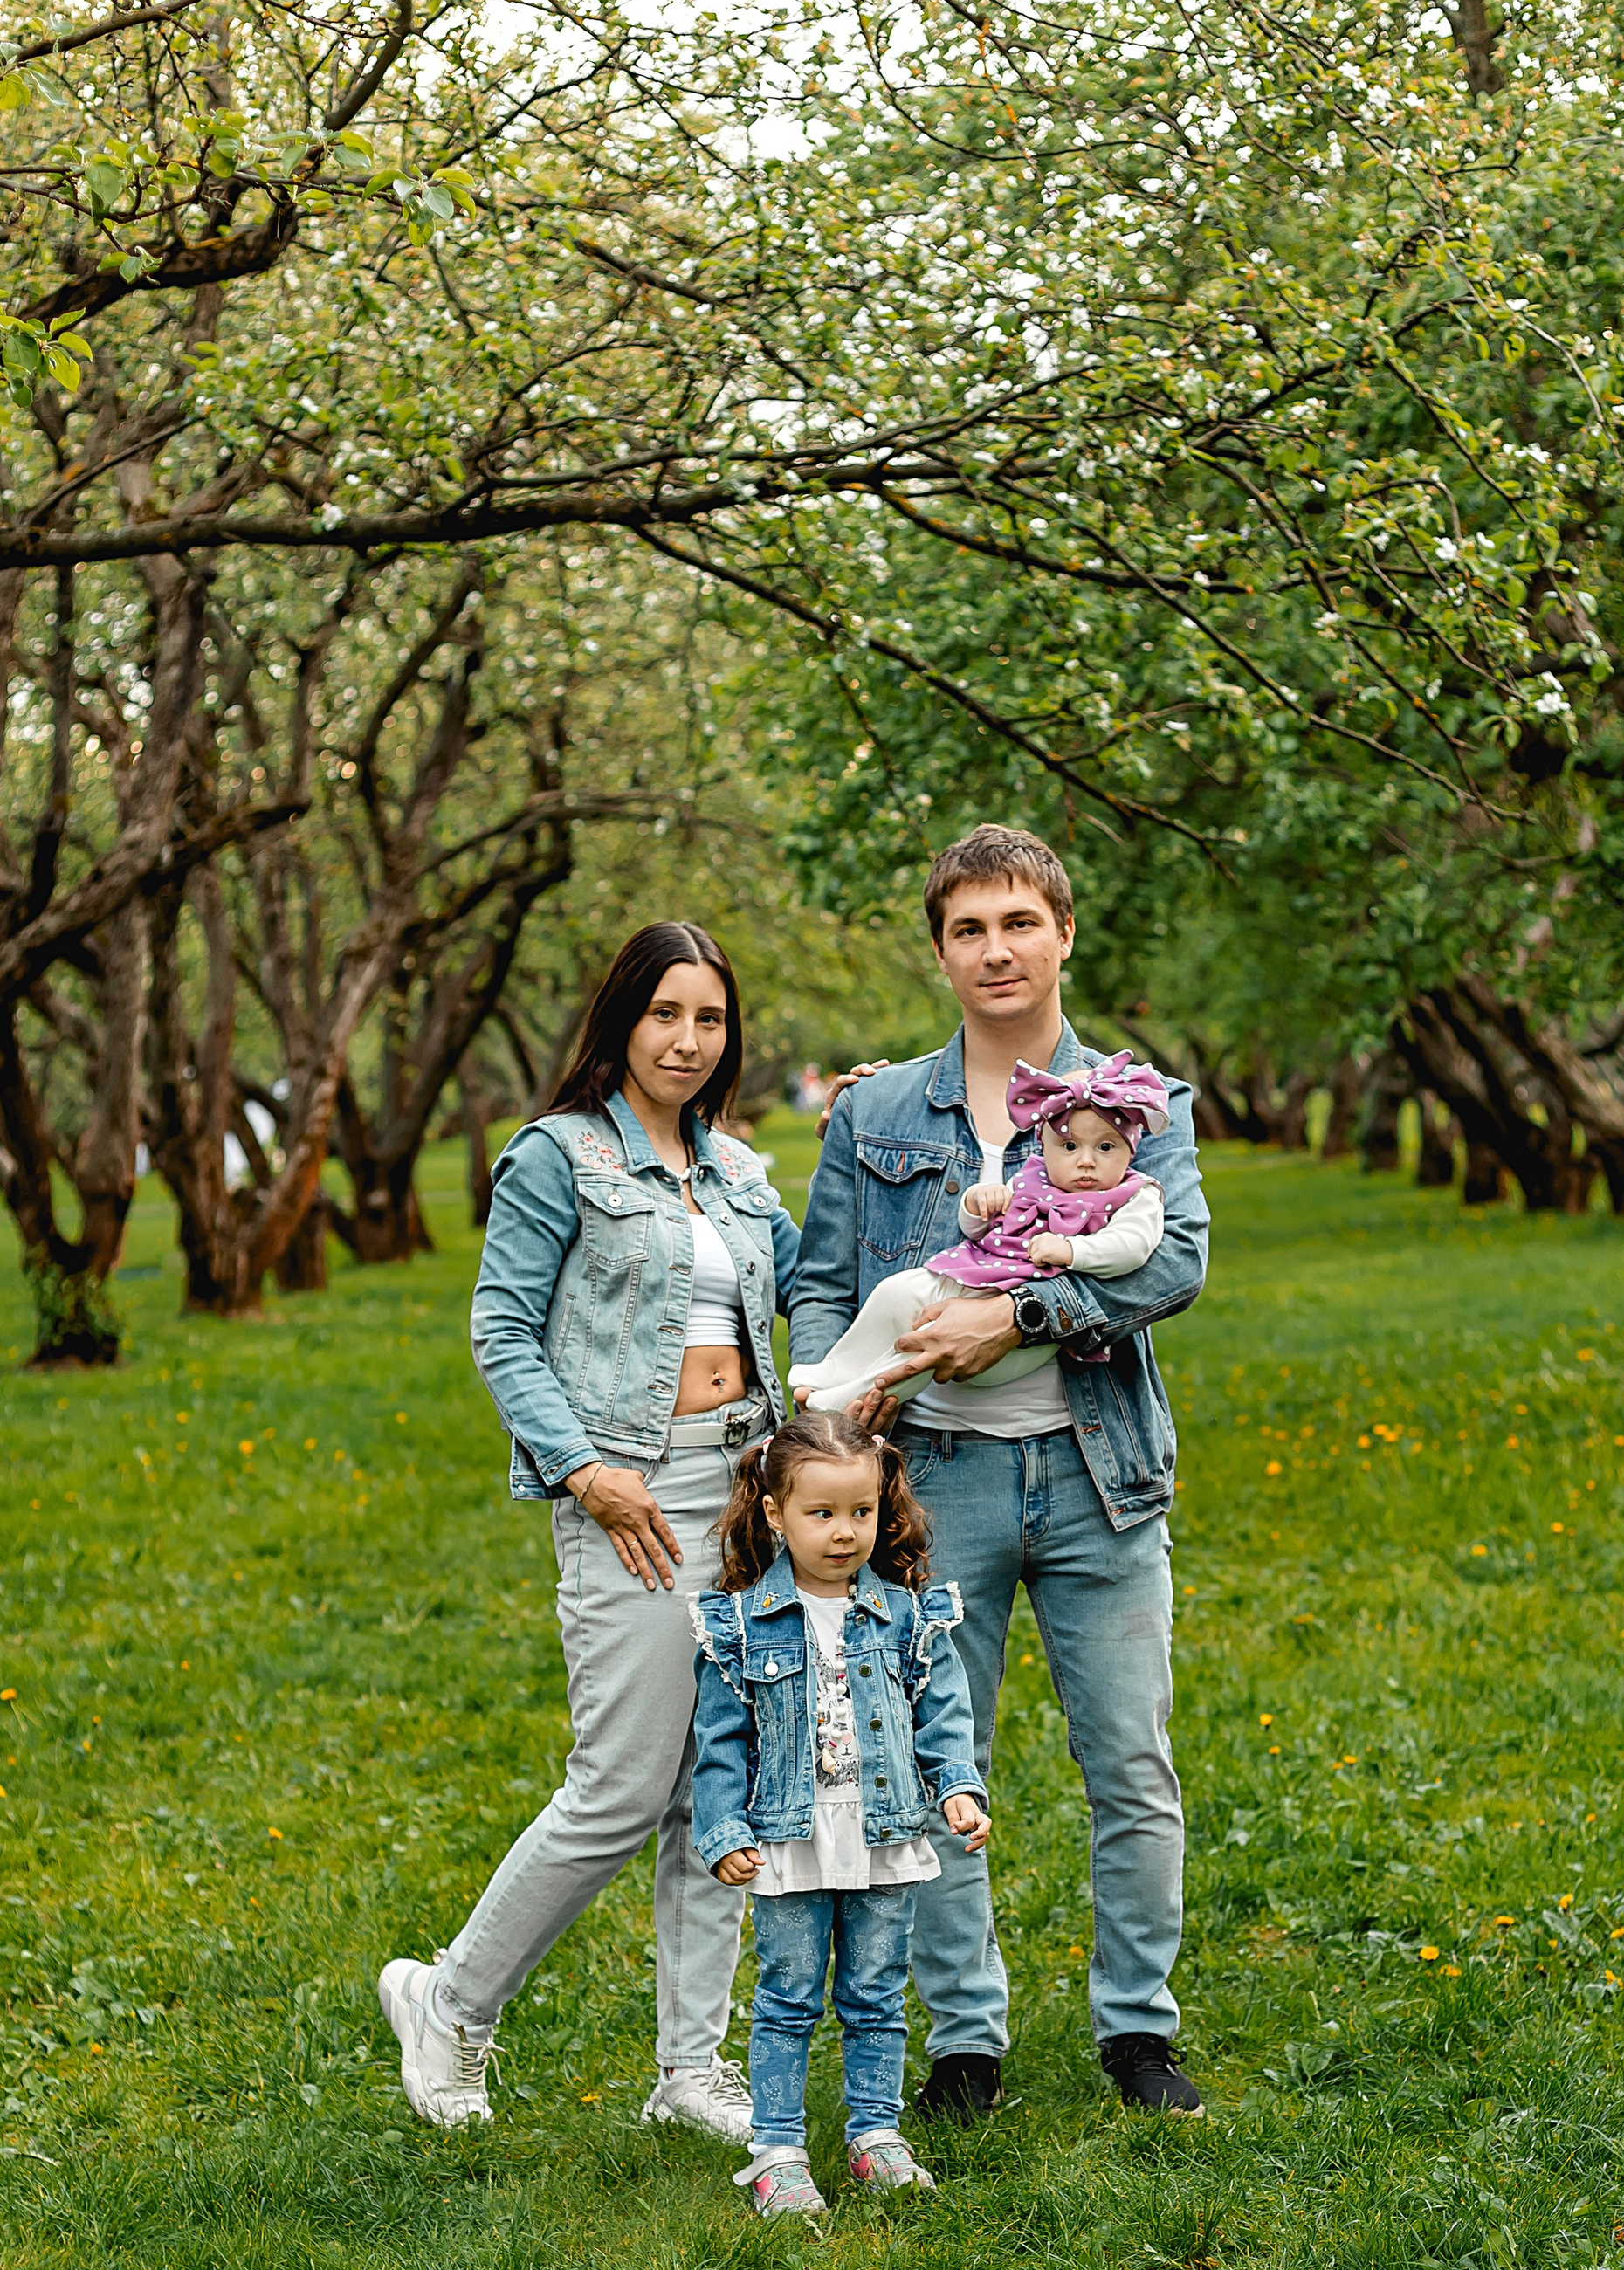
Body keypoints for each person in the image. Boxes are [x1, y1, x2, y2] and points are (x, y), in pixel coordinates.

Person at [791, 825, 1210, 2122]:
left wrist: (1018, 1321)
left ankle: (1138, 2032)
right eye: (968, 929)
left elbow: (1174, 1260)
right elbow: (819, 1284)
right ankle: (965, 2040)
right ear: (940, 952)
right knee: (934, 1763)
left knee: (1128, 1762)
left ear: (1064, 934)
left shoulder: (1145, 1103)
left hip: (1098, 1477)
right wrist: (838, 1425)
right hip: (937, 1486)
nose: (996, 950)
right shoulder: (873, 1110)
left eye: (1018, 923)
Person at [378, 921, 799, 2137]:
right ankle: (451, 2003)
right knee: (619, 1787)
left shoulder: (743, 1173)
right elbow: (501, 1327)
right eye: (665, 1012)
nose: (686, 1039)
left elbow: (802, 1302)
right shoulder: (556, 1158)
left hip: (746, 1494)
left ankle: (690, 2072)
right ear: (620, 1019)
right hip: (634, 1498)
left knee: (718, 1786)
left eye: (709, 1019)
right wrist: (581, 1472)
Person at [690, 1411, 989, 2218]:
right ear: (773, 1514)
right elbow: (720, 1742)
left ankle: (874, 2133)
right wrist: (724, 1831)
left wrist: (955, 1786)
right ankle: (776, 2150)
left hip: (883, 1830)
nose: (844, 1532)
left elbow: (942, 1713)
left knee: (876, 1993)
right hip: (790, 1838)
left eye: (861, 1512)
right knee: (788, 1993)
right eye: (821, 1514)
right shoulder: (740, 1626)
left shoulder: (909, 1615)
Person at [793, 1051, 1171, 1412]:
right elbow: (981, 1227)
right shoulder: (1035, 1177)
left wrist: (1073, 1251)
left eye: (1106, 1147)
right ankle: (837, 1369)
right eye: (1069, 1146)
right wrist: (978, 1203)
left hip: (1025, 1336)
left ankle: (850, 1399)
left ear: (1130, 1149)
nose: (1086, 1161)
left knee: (922, 1350)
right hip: (974, 1274)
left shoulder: (1134, 1193)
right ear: (1045, 1147)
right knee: (894, 1293)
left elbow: (1134, 1246)